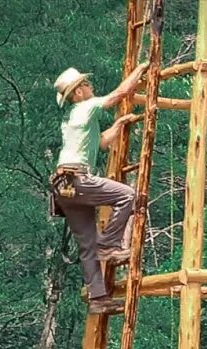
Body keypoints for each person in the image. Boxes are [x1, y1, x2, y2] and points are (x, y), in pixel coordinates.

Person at [51, 63, 149, 314]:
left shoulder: (74, 117)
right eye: (85, 84)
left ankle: (97, 299)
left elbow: (102, 143)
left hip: (63, 187)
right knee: (127, 195)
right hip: (77, 179)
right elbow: (118, 95)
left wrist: (119, 125)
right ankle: (110, 244)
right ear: (79, 93)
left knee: (86, 245)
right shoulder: (85, 107)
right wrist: (139, 70)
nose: (89, 86)